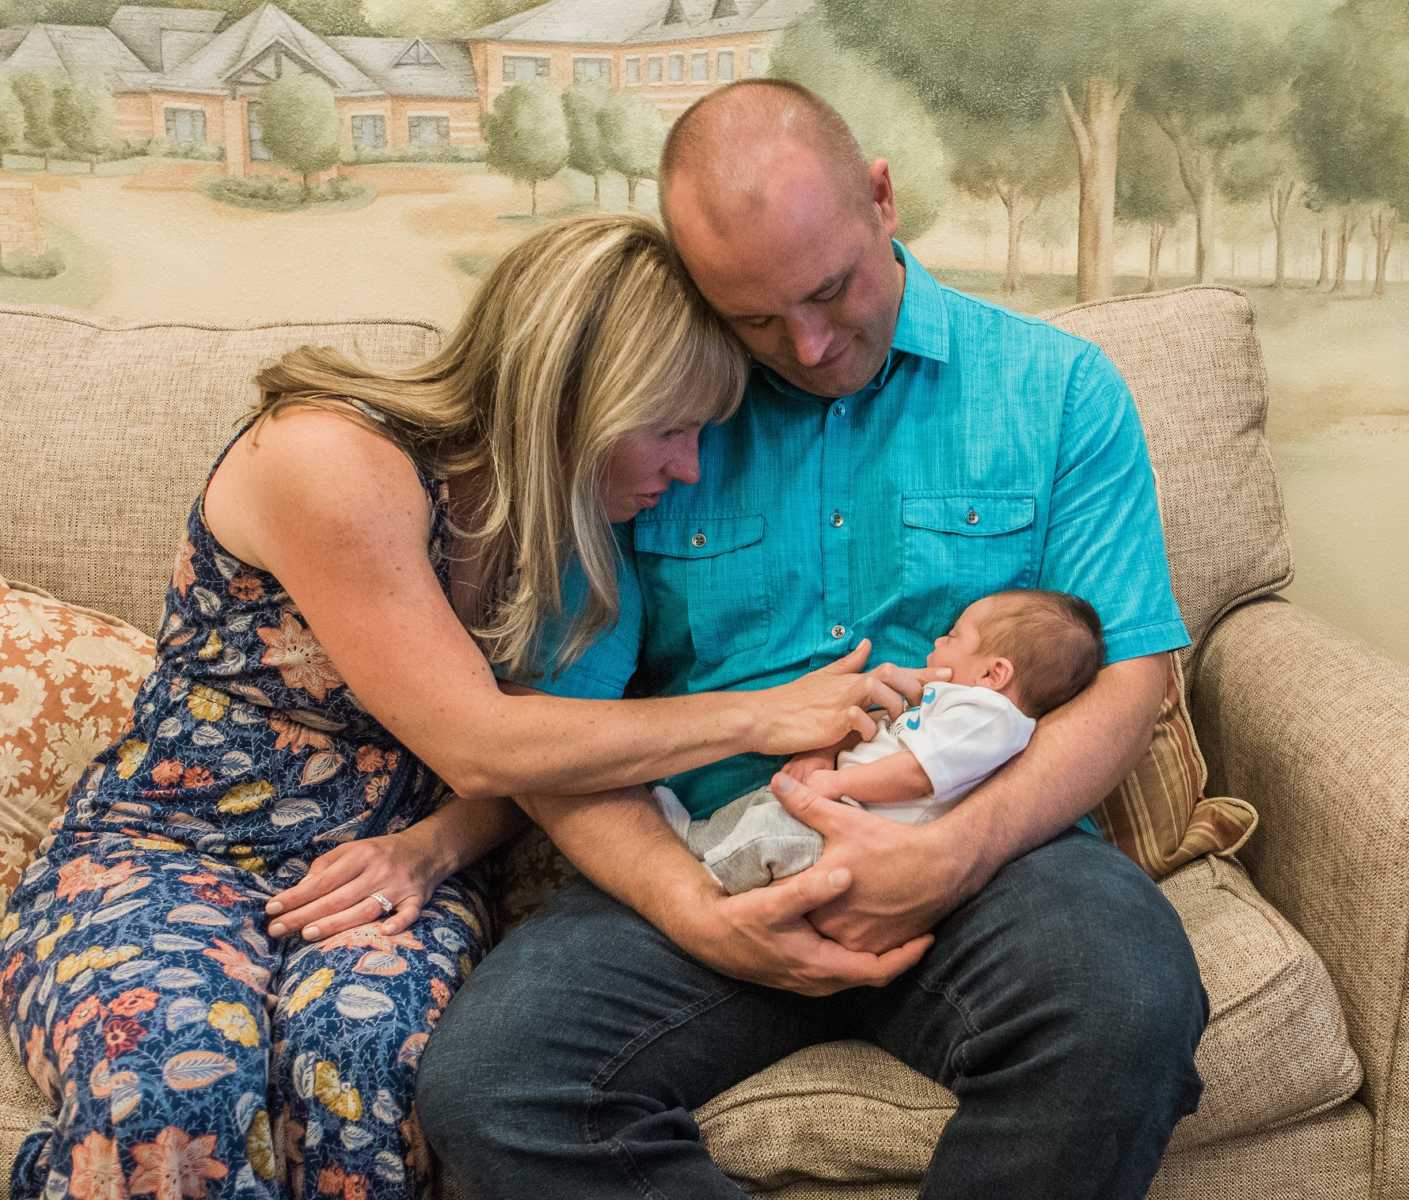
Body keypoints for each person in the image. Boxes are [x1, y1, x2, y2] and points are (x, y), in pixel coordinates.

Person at [0, 214, 924, 1200]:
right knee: (171, 1084)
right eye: (670, 429)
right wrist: (761, 714)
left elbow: (543, 759)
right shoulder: (332, 456)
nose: (689, 469)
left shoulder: (574, 531)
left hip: (396, 876)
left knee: (360, 1074)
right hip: (172, 855)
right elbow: (480, 740)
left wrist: (432, 849)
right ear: (567, 400)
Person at [419, 82, 1210, 1199]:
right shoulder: (648, 416)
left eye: (829, 290)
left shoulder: (1058, 389)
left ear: (880, 198)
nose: (804, 343)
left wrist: (955, 852)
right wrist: (696, 909)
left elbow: (1131, 680)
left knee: (1127, 995)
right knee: (488, 1086)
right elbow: (564, 731)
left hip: (993, 862)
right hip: (716, 855)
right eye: (750, 318)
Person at [660, 589, 1105, 893]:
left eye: (952, 637)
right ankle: (695, 837)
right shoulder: (962, 708)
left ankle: (712, 881)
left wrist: (837, 786)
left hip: (863, 832)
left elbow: (915, 774)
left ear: (994, 674)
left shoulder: (990, 718)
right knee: (762, 807)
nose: (937, 640)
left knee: (766, 838)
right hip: (843, 806)